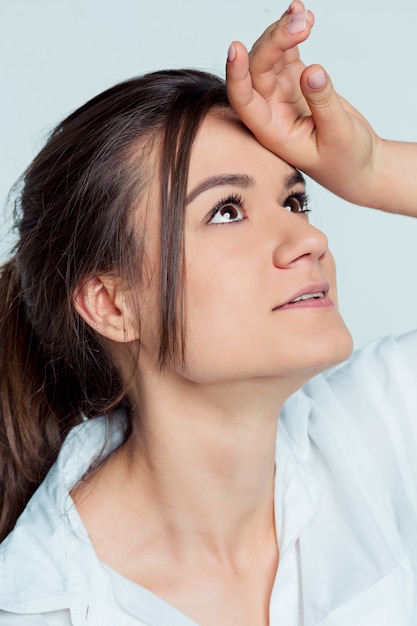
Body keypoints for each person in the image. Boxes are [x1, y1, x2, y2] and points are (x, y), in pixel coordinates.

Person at [0, 3, 417, 625]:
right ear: (112, 305)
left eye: (296, 199)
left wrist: (377, 167)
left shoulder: (376, 431)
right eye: (226, 210)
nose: (307, 240)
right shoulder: (40, 606)